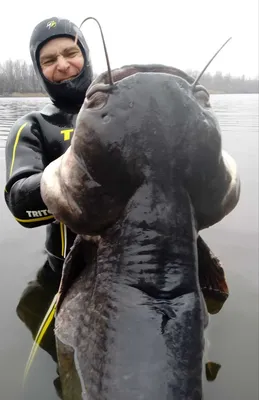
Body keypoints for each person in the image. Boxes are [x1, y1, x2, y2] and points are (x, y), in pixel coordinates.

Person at [4, 16, 94, 273]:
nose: (63, 65)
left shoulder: (124, 108)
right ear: (39, 69)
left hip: (139, 261)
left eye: (71, 53)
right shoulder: (31, 125)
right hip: (67, 270)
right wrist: (89, 173)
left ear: (86, 56)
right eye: (49, 60)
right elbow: (20, 206)